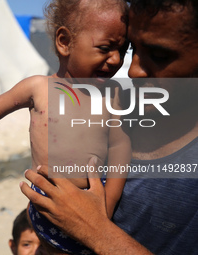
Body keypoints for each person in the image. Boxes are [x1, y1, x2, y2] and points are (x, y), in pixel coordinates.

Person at [20, 0, 198, 254]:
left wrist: (96, 231)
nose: (134, 70)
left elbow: (84, 219)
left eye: (158, 56)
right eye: (133, 49)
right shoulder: (114, 105)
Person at [0, 0, 130, 253]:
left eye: (123, 50)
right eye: (105, 48)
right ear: (65, 42)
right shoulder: (38, 88)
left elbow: (120, 146)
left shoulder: (112, 95)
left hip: (93, 209)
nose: (116, 59)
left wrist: (106, 206)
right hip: (46, 209)